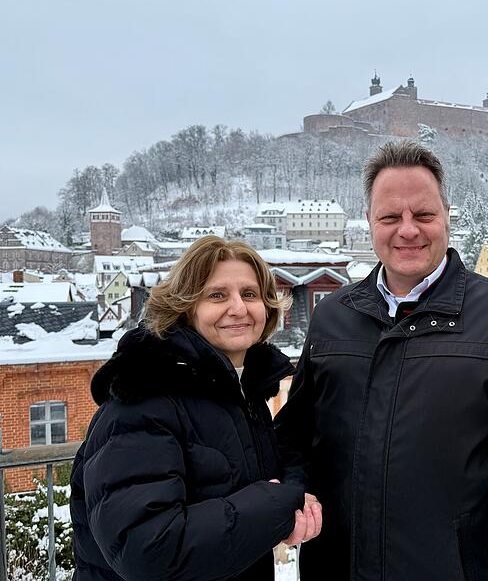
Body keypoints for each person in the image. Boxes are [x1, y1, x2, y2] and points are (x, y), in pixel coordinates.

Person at [276, 140, 488, 581]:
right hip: (338, 568)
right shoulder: (333, 317)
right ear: (370, 223)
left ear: (447, 217)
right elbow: (297, 440)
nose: (408, 230)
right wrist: (293, 496)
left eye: (424, 215)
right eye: (390, 217)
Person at [70, 236, 322, 581]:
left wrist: (294, 494)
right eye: (217, 295)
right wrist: (277, 506)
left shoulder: (236, 393)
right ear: (185, 307)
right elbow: (149, 549)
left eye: (249, 294)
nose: (238, 308)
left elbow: (252, 475)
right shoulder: (144, 401)